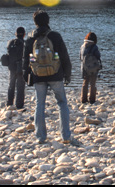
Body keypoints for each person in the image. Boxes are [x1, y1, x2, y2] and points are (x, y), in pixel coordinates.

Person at [23, 10, 72, 144]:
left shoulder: (30, 37)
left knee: (40, 104)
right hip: (56, 74)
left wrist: (27, 75)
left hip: (38, 75)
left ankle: (40, 137)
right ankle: (66, 136)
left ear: (35, 22)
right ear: (48, 21)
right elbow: (64, 55)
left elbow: (27, 58)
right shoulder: (55, 36)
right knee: (62, 103)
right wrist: (67, 74)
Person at [6, 27, 26, 109]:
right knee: (20, 87)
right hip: (21, 67)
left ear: (16, 33)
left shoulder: (10, 42)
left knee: (11, 85)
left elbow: (8, 52)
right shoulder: (25, 43)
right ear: (24, 34)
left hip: (12, 67)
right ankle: (19, 105)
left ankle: (9, 103)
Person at [80, 32, 102, 104]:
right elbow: (98, 56)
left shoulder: (82, 46)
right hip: (93, 67)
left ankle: (84, 99)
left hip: (84, 67)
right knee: (92, 83)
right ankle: (92, 100)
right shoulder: (94, 46)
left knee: (85, 83)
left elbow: (80, 57)